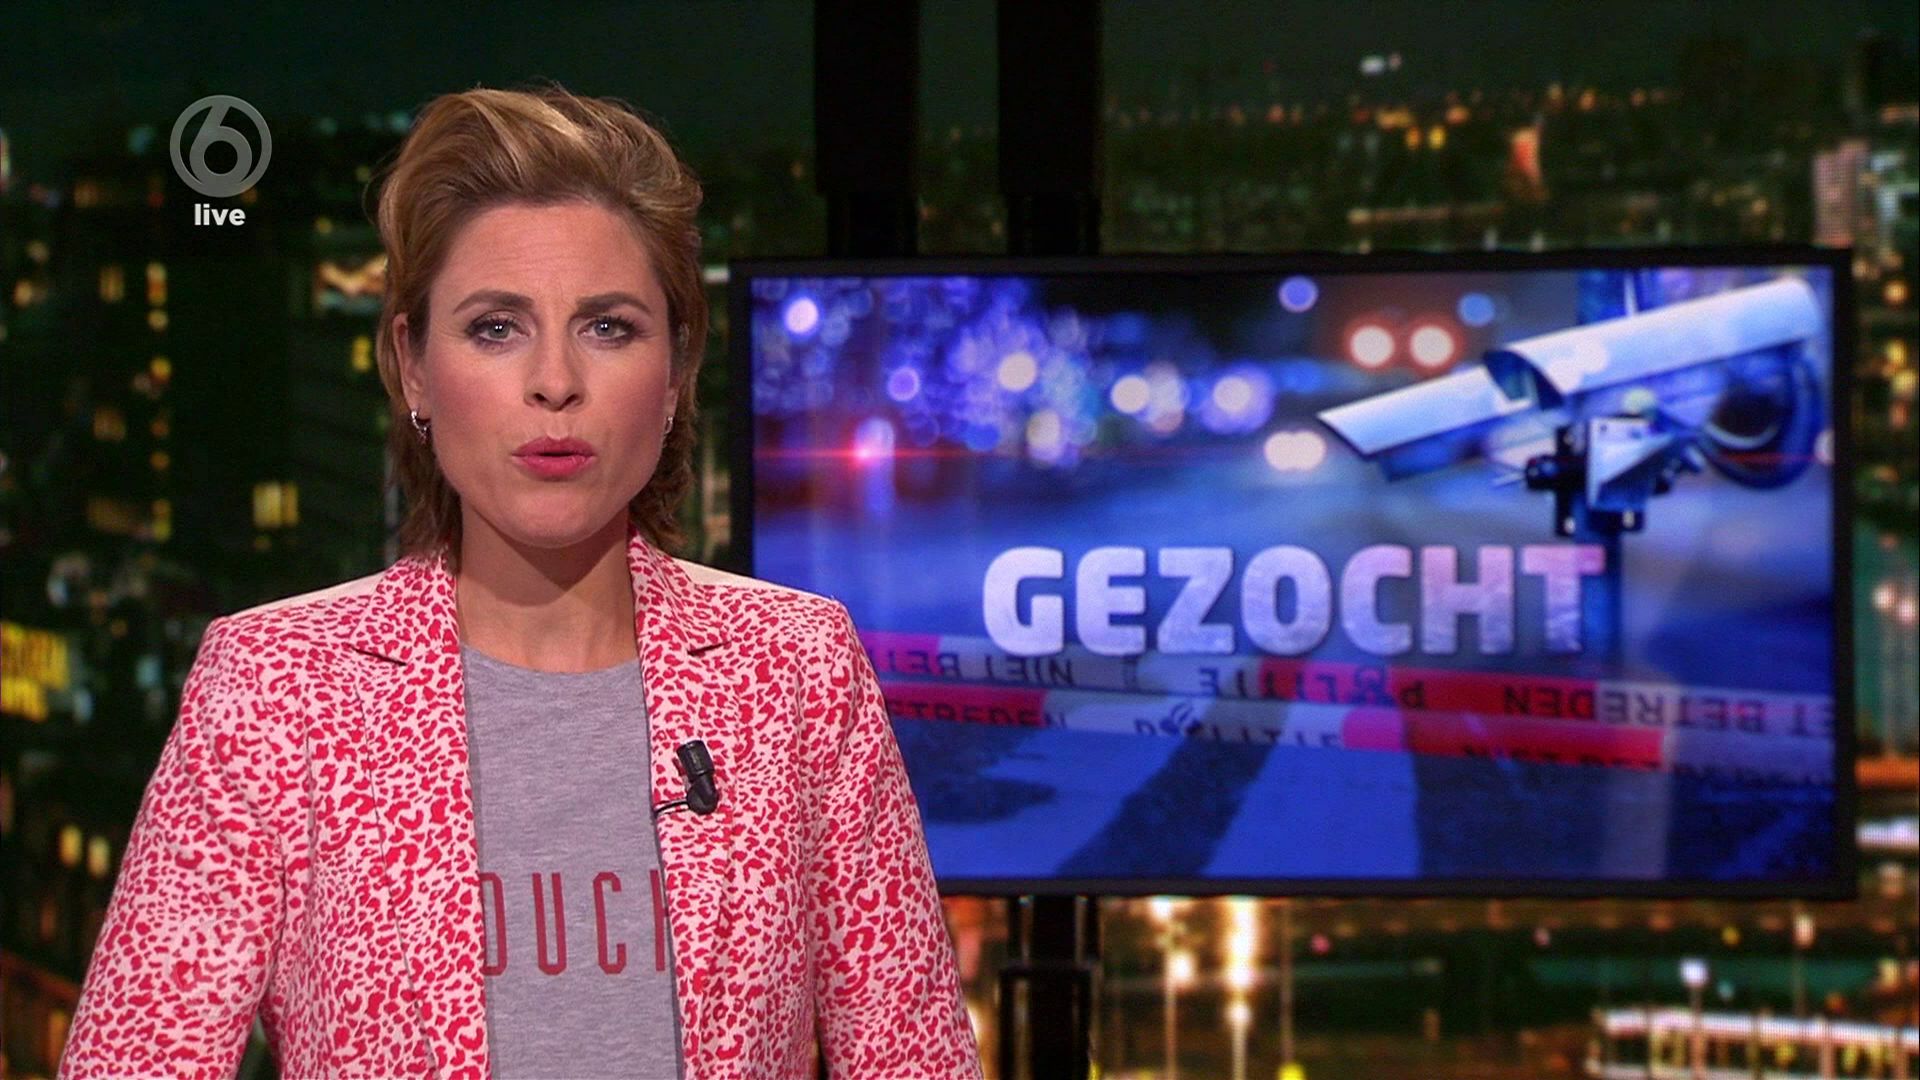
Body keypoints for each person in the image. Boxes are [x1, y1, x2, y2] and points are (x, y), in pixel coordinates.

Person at [59, 83, 982, 1080]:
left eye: (608, 327)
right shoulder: (276, 687)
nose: (555, 381)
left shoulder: (796, 670)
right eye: (496, 327)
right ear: (413, 365)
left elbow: (915, 1058)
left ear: (676, 371)